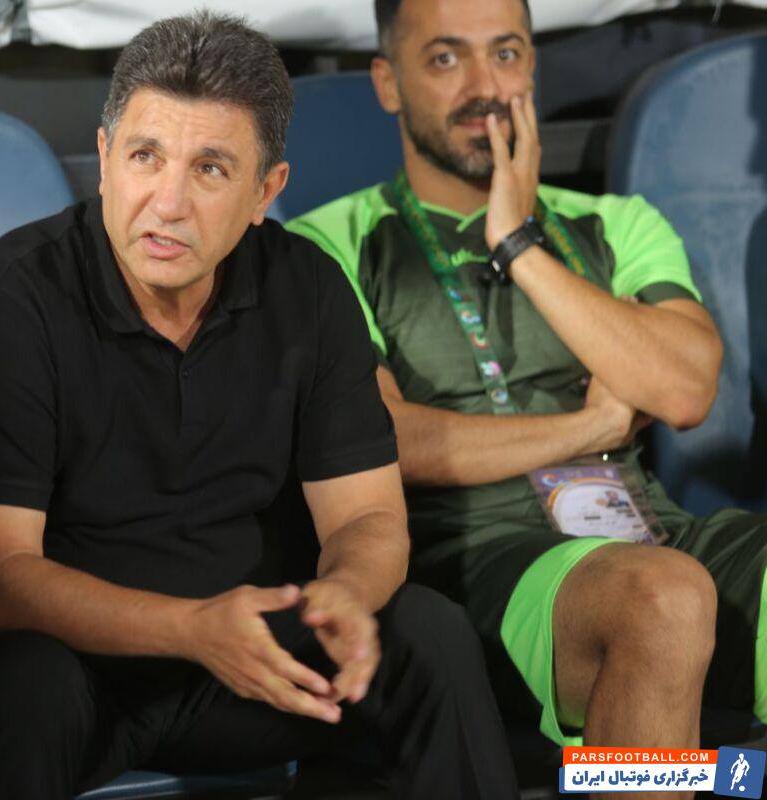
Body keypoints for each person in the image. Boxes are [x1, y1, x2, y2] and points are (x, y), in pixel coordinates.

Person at [0, 10, 520, 800]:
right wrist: (192, 630)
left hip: (248, 664)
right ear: (104, 159)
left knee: (425, 631)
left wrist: (344, 595)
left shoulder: (307, 288)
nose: (167, 203)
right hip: (71, 676)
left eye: (209, 169)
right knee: (27, 680)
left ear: (266, 191)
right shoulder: (13, 298)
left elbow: (369, 519)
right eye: (145, 156)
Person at [287, 0, 767, 787]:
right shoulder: (327, 242)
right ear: (388, 82)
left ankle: (695, 775)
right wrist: (592, 425)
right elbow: (386, 439)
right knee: (663, 599)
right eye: (446, 59)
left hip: (648, 528)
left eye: (506, 54)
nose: (486, 86)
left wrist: (518, 242)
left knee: (668, 587)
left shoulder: (614, 222)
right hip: (474, 560)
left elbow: (684, 391)